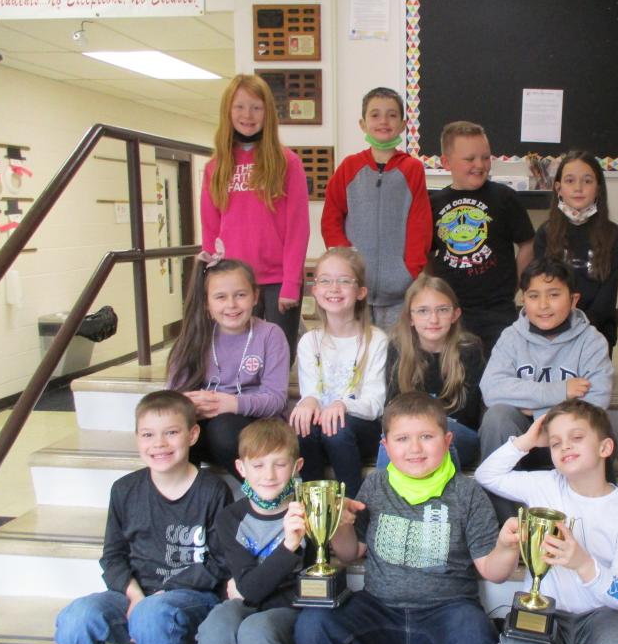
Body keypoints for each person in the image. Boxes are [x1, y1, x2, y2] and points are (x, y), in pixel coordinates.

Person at [294, 392, 520, 644]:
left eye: (426, 436)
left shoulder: (468, 494)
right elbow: (350, 553)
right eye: (402, 439)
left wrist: (507, 547)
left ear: (447, 439)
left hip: (449, 611)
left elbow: (491, 571)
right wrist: (341, 526)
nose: (414, 448)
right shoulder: (374, 485)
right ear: (385, 446)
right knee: (312, 626)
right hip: (378, 609)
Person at [54, 391, 230, 644]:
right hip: (135, 598)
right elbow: (113, 556)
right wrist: (134, 595)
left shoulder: (213, 490)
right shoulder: (124, 490)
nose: (159, 444)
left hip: (192, 601)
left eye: (171, 433)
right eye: (148, 434)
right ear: (137, 438)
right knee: (75, 618)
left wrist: (161, 595)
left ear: (193, 434)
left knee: (153, 613)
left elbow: (220, 562)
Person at [475, 399, 618, 644]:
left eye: (578, 437)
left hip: (602, 618)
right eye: (556, 443)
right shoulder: (544, 485)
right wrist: (527, 442)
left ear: (606, 448)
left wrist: (583, 564)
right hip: (545, 612)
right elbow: (486, 475)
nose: (565, 446)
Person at [192, 419, 311, 644]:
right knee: (216, 626)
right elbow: (249, 590)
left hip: (291, 610)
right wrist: (288, 547)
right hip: (247, 604)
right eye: (258, 466)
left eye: (279, 464)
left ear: (297, 466)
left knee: (255, 632)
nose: (268, 475)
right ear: (241, 468)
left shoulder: (308, 511)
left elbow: (251, 587)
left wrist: (251, 584)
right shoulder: (231, 518)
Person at [201, 73, 310, 357]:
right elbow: (210, 228)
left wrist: (291, 283)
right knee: (236, 355)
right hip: (234, 282)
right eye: (240, 107)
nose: (247, 115)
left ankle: (271, 403)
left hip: (276, 282)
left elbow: (298, 229)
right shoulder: (216, 167)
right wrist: (214, 281)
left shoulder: (288, 163)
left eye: (256, 108)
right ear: (228, 111)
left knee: (275, 357)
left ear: (268, 113)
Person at [479, 256, 613, 467]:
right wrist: (560, 391)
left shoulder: (591, 341)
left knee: (593, 428)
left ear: (573, 299)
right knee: (497, 416)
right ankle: (498, 501)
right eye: (533, 296)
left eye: (554, 295)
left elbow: (596, 403)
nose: (543, 305)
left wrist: (536, 411)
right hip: (524, 440)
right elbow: (492, 389)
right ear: (523, 299)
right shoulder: (511, 337)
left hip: (570, 441)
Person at [167, 257, 290, 478]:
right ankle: (186, 501)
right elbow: (171, 397)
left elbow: (276, 400)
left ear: (255, 296)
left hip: (255, 428)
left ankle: (260, 495)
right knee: (178, 429)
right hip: (206, 432)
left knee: (222, 428)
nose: (231, 305)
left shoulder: (270, 335)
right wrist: (190, 403)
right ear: (207, 303)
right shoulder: (193, 337)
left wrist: (230, 403)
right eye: (220, 297)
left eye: (240, 295)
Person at [320, 86, 432, 329]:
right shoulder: (349, 167)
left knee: (395, 356)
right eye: (375, 115)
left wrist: (410, 271)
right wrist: (346, 264)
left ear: (403, 125)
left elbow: (419, 223)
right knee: (357, 353)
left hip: (399, 292)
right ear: (362, 124)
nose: (383, 121)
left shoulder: (412, 169)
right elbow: (331, 218)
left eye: (392, 115)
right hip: (354, 288)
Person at [429, 120, 535, 356]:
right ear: (446, 162)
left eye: (485, 157)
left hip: (497, 309)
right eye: (470, 159)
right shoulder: (433, 204)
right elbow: (426, 252)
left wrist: (516, 284)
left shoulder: (505, 197)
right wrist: (434, 288)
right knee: (457, 370)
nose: (480, 165)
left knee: (497, 370)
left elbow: (527, 243)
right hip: (452, 309)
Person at [290, 247, 387, 498]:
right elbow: (311, 393)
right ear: (315, 290)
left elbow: (375, 404)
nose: (334, 288)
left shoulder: (375, 339)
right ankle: (315, 510)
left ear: (361, 292)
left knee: (337, 428)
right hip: (322, 429)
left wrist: (342, 405)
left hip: (360, 428)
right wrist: (308, 400)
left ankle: (353, 509)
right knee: (304, 426)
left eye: (344, 281)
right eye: (325, 280)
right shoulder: (309, 341)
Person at [375, 274, 485, 469]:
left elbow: (469, 412)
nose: (433, 319)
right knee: (390, 437)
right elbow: (392, 408)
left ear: (455, 314)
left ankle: (450, 498)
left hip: (458, 434)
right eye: (423, 311)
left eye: (442, 310)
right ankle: (384, 498)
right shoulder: (398, 348)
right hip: (412, 436)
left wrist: (427, 428)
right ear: (410, 317)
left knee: (441, 435)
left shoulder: (469, 349)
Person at [534, 151, 618, 353]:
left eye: (587, 181)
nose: (578, 188)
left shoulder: (612, 234)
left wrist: (582, 329)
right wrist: (560, 327)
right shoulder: (545, 233)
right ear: (558, 188)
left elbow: (607, 294)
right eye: (570, 180)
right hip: (554, 328)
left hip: (597, 330)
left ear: (598, 189)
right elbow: (542, 287)